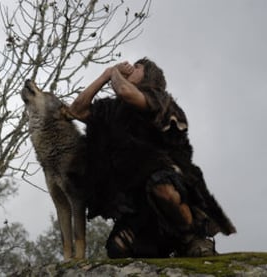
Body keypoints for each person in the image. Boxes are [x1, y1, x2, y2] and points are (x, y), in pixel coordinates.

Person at [69, 58, 236, 258]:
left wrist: (116, 73)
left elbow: (125, 91)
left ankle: (191, 238)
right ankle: (160, 246)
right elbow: (77, 110)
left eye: (137, 67)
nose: (131, 67)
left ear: (149, 76)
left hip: (167, 182)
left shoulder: (160, 99)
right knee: (117, 248)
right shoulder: (110, 110)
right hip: (137, 203)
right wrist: (106, 74)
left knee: (162, 187)